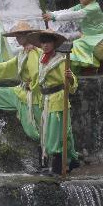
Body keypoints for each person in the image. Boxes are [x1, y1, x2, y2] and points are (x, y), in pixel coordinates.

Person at [0, 22, 44, 157]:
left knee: (33, 131)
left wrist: (32, 88)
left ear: (29, 36)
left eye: (21, 36)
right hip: (20, 91)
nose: (18, 39)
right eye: (17, 36)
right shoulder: (23, 52)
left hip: (30, 95)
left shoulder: (33, 52)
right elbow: (8, 66)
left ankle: (48, 158)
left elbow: (36, 74)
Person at [24, 30, 80, 174]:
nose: (45, 45)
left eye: (48, 42)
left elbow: (71, 78)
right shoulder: (42, 58)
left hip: (58, 99)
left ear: (54, 44)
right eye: (43, 43)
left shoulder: (60, 59)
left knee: (55, 135)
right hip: (46, 100)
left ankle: (57, 168)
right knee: (52, 133)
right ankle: (69, 162)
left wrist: (70, 78)